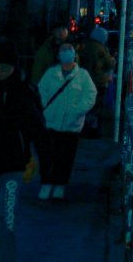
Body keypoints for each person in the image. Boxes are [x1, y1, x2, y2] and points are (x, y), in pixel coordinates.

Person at [0, 39, 46, 262]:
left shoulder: (24, 89)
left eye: (4, 66)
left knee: (5, 217)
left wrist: (45, 160)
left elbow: (36, 126)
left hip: (13, 165)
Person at [37, 42, 96, 201]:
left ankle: (60, 185)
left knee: (66, 157)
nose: (66, 53)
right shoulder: (51, 73)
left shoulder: (83, 75)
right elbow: (41, 92)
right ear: (58, 55)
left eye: (69, 50)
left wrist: (77, 111)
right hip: (51, 123)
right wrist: (47, 109)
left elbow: (90, 96)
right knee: (48, 155)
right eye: (63, 50)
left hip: (72, 126)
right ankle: (46, 183)